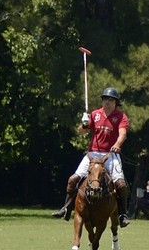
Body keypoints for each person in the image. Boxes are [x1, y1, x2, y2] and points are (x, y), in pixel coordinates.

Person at [50, 87, 130, 227]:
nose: (107, 102)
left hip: (110, 155)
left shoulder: (121, 117)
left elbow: (122, 134)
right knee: (73, 179)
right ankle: (66, 208)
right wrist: (84, 124)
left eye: (110, 100)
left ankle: (123, 215)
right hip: (92, 154)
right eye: (105, 99)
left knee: (121, 184)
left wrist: (117, 144)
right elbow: (81, 132)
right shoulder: (95, 114)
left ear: (116, 102)